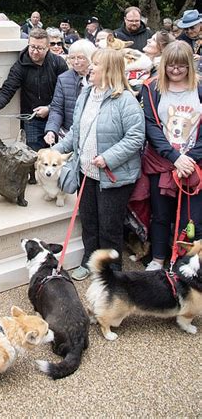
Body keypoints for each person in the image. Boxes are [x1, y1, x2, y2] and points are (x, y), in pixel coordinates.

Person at [54, 48, 145, 280]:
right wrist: (56, 150)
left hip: (113, 177)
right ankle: (89, 261)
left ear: (110, 70)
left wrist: (108, 158)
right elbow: (77, 130)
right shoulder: (86, 94)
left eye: (97, 64)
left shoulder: (125, 100)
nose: (91, 67)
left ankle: (112, 274)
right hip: (86, 172)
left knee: (109, 228)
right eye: (92, 63)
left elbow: (135, 137)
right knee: (90, 222)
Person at [140, 41, 201, 271]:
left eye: (182, 67)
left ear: (190, 66)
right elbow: (151, 125)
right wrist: (175, 157)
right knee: (161, 214)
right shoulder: (152, 87)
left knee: (191, 218)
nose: (175, 71)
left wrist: (189, 158)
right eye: (171, 66)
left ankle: (186, 263)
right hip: (162, 161)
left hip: (194, 163)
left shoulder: (200, 87)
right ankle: (158, 258)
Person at [0, 28, 68, 154]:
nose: (34, 51)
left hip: (57, 117)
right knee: (34, 157)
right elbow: (7, 90)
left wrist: (49, 108)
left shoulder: (58, 63)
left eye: (39, 48)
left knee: (56, 157)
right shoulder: (20, 66)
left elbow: (66, 93)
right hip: (32, 120)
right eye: (32, 47)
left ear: (47, 48)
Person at [44, 40, 96, 145]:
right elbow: (57, 108)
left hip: (94, 133)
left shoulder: (99, 77)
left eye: (80, 58)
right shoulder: (63, 78)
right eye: (72, 58)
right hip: (70, 132)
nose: (75, 62)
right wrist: (51, 130)